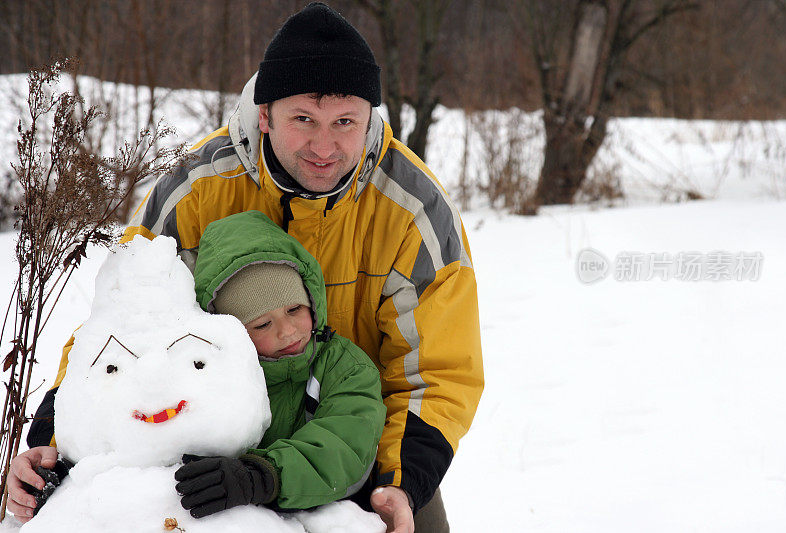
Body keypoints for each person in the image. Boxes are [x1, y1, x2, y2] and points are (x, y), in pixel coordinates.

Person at [13, 3, 483, 532]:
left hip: (357, 441)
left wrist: (400, 483)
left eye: (345, 123)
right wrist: (53, 445)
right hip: (206, 449)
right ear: (265, 114)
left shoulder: (414, 211)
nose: (325, 147)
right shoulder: (194, 190)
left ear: (370, 117)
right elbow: (124, 327)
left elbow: (436, 372)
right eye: (303, 119)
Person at [177, 210, 386, 516]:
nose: (287, 331)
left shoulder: (345, 367)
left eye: (294, 309)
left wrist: (263, 476)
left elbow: (346, 444)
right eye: (262, 324)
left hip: (332, 513)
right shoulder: (207, 371)